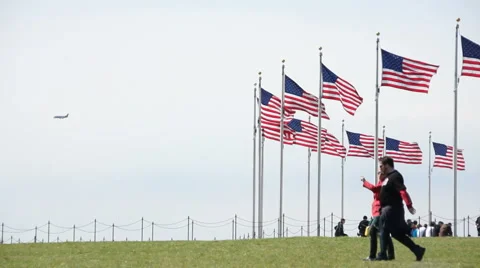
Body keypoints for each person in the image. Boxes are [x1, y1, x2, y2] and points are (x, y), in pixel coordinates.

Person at [376, 156, 426, 261]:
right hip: (389, 209)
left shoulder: (395, 176)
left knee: (383, 229)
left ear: (387, 165)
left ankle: (382, 254)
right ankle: (417, 250)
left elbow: (402, 191)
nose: (380, 168)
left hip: (391, 209)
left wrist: (409, 205)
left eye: (381, 166)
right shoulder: (387, 177)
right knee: (397, 234)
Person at [361, 172, 394, 261]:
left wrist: (364, 181)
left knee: (374, 232)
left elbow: (373, 188)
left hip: (379, 212)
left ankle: (373, 256)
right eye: (378, 173)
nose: (379, 174)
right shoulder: (382, 183)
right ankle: (390, 255)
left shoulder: (384, 183)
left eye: (381, 173)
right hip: (378, 211)